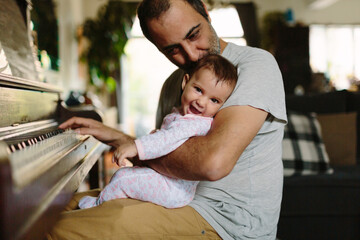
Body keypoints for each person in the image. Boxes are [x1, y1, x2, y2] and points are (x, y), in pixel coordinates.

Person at [48, 0, 287, 239]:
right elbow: (164, 163)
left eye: (194, 34)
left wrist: (130, 142)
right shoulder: (174, 84)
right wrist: (120, 139)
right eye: (173, 49)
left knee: (53, 231)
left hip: (225, 224)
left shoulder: (254, 65)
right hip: (173, 200)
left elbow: (212, 164)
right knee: (47, 212)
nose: (191, 54)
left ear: (205, 10)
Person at [78, 54, 238, 209]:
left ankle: (98, 207)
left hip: (174, 190)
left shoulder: (197, 123)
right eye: (198, 90)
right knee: (127, 175)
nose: (201, 102)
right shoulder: (183, 115)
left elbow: (167, 139)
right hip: (167, 180)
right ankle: (110, 203)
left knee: (122, 179)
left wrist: (136, 146)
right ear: (185, 82)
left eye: (214, 100)